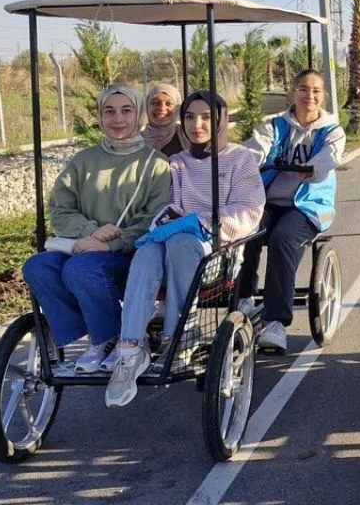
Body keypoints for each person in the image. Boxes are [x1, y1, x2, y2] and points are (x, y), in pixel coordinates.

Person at [106, 91, 265, 407]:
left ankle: (179, 333)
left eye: (206, 117)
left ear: (221, 120)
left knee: (179, 241)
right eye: (190, 117)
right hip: (173, 251)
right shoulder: (176, 163)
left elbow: (249, 211)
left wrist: (201, 222)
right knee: (149, 250)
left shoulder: (240, 159)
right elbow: (167, 207)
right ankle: (130, 347)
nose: (197, 124)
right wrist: (163, 222)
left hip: (219, 254)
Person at [22, 84, 170, 374]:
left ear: (139, 114)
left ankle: (111, 338)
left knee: (81, 270)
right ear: (100, 116)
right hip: (83, 245)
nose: (118, 119)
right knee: (37, 266)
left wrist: (109, 243)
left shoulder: (157, 165)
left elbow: (154, 219)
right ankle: (98, 332)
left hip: (131, 254)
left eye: (126, 111)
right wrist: (90, 233)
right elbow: (60, 210)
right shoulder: (82, 161)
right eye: (109, 111)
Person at [241, 68, 346, 354]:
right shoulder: (274, 125)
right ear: (293, 91)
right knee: (243, 230)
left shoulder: (331, 131)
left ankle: (276, 322)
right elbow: (257, 148)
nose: (309, 96)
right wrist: (243, 161)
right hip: (268, 201)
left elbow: (330, 158)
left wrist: (311, 169)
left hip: (308, 205)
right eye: (303, 89)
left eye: (315, 91)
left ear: (323, 96)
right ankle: (244, 297)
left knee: (282, 239)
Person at [143, 83, 187, 156]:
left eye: (169, 103)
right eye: (155, 103)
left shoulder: (187, 136)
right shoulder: (136, 141)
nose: (162, 108)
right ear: (147, 106)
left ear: (177, 108)